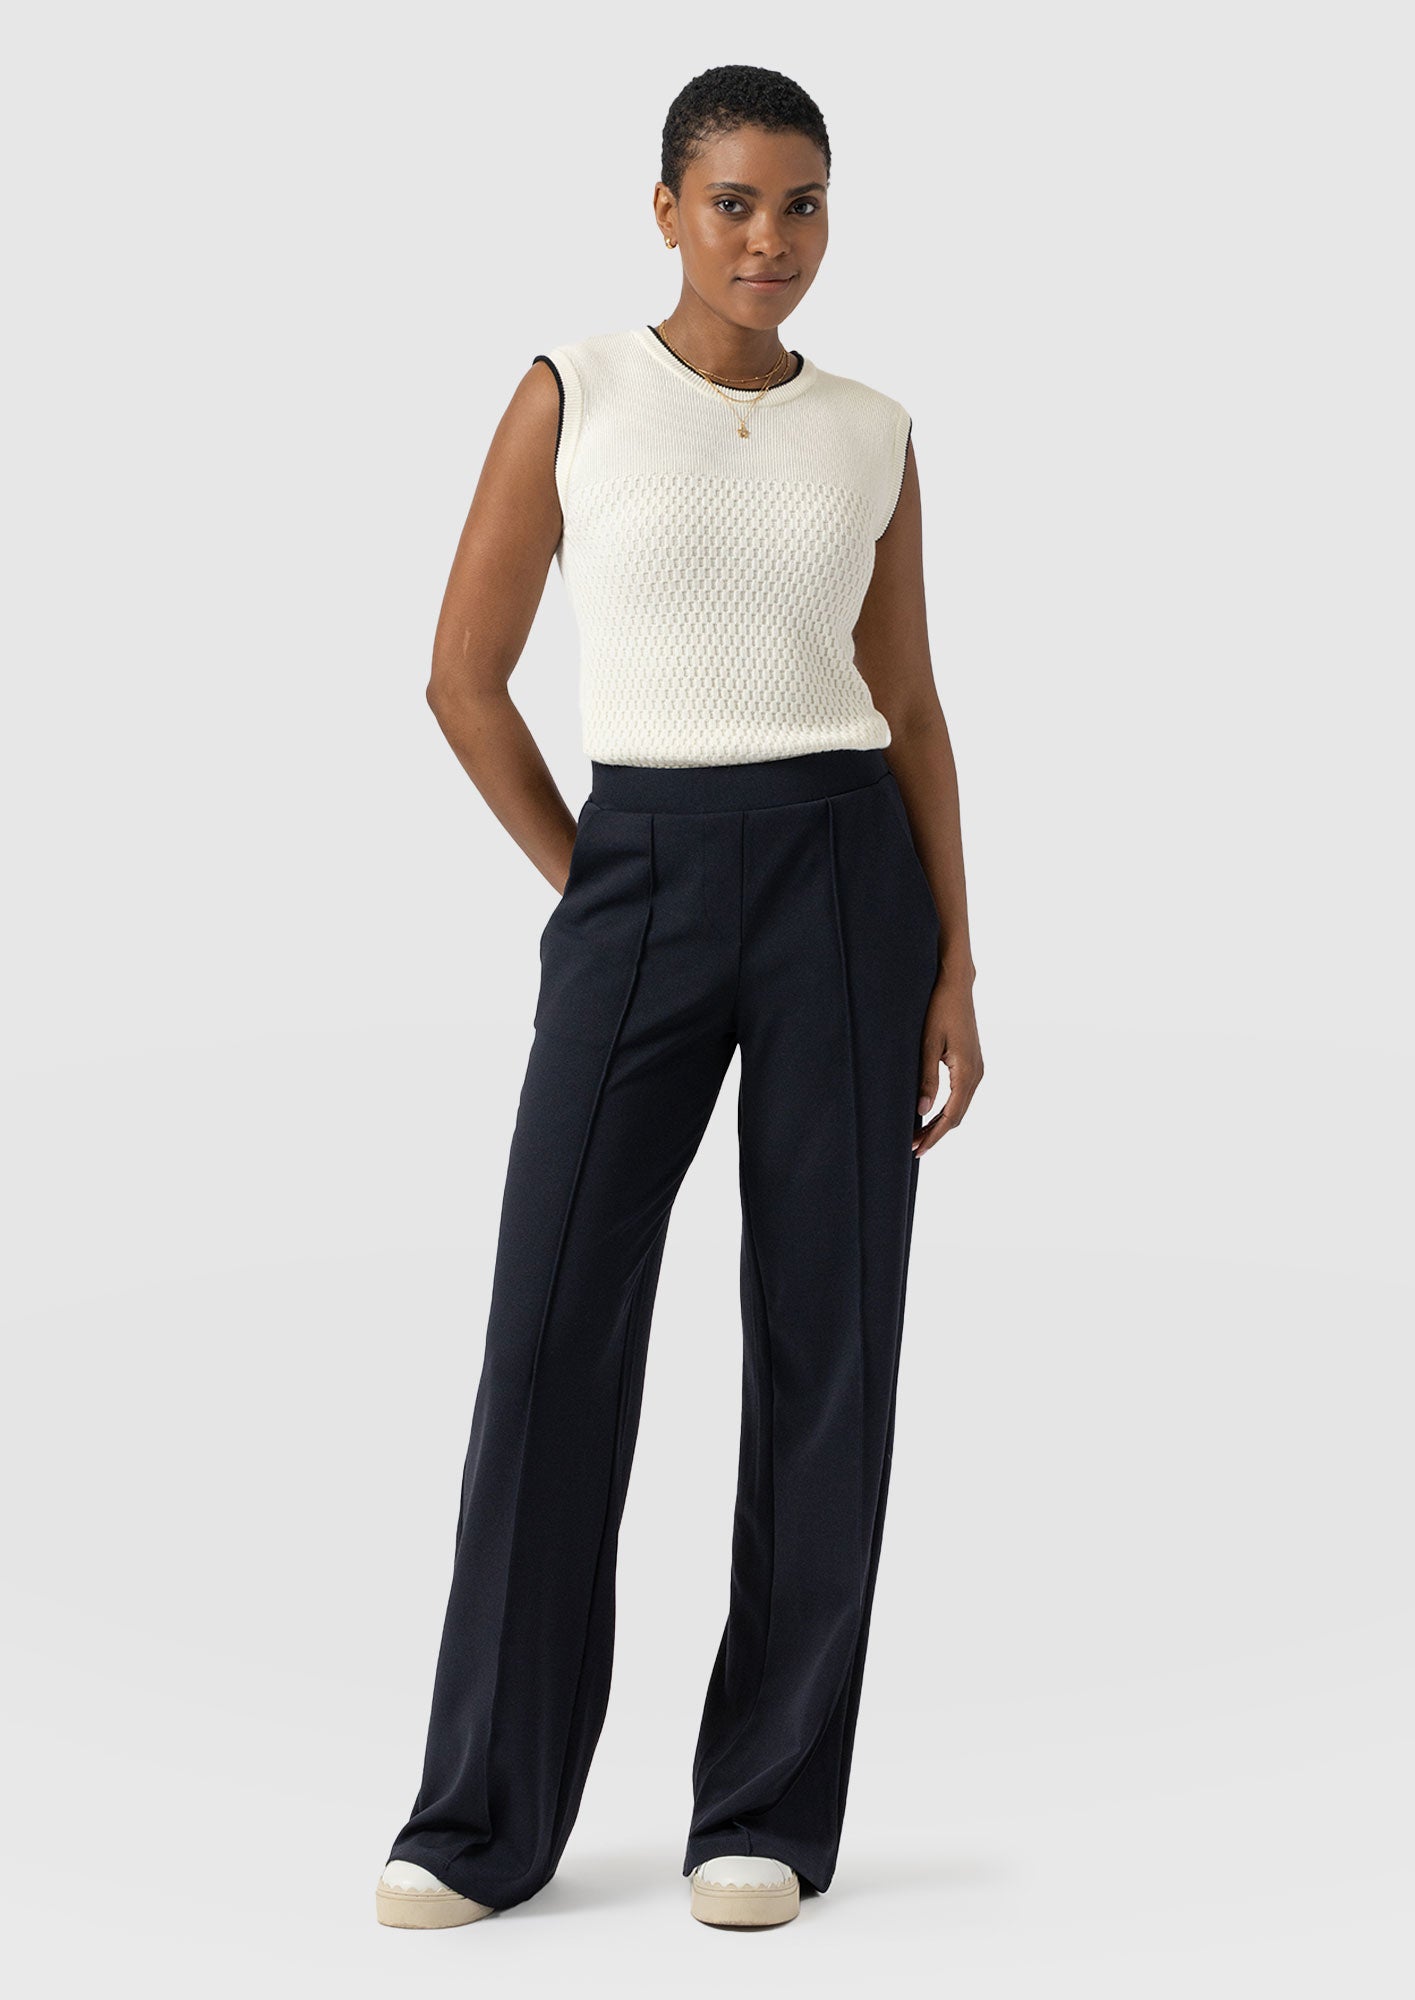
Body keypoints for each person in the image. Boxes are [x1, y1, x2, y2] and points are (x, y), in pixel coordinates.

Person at [376, 62, 982, 1934]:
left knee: (828, 1338)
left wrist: (957, 958)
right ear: (665, 210)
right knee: (551, 1330)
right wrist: (597, 882)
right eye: (733, 201)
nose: (769, 239)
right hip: (639, 862)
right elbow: (462, 674)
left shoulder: (872, 429)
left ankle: (767, 1812)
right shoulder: (575, 390)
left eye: (802, 205)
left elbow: (911, 702)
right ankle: (477, 1819)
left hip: (845, 881)